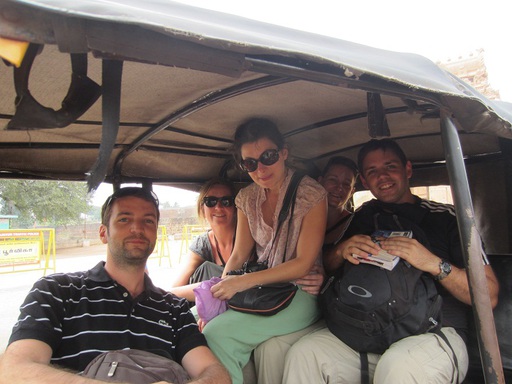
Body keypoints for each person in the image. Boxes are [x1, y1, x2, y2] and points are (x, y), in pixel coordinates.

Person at [282, 138, 499, 384]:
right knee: (305, 354)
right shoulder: (362, 217)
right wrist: (340, 251)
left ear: (407, 169)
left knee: (397, 366)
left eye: (390, 167)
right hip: (366, 332)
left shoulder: (448, 218)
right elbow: (325, 267)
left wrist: (432, 263)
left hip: (434, 333)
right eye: (372, 171)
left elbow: (488, 295)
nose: (382, 176)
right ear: (364, 181)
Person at [0, 187, 231, 384]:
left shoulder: (174, 308)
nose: (137, 228)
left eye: (148, 221)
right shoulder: (57, 291)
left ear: (155, 234)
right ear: (103, 233)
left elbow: (214, 373)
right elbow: (13, 370)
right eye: (124, 219)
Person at [200, 118, 328, 384]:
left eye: (268, 156)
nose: (260, 168)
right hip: (260, 292)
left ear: (284, 153)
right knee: (193, 320)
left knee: (217, 334)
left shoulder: (311, 194)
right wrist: (220, 293)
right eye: (250, 163)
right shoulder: (246, 198)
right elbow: (239, 254)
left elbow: (303, 263)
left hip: (301, 292)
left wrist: (242, 282)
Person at [252, 155, 358, 384]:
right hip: (289, 295)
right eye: (332, 180)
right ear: (319, 181)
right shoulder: (297, 217)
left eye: (346, 184)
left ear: (352, 190)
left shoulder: (354, 225)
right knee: (267, 348)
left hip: (329, 306)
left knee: (276, 348)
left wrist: (327, 277)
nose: (338, 188)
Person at [170, 178, 237, 302]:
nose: (218, 207)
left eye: (226, 201)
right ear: (202, 208)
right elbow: (175, 289)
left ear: (236, 207)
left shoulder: (248, 238)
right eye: (211, 201)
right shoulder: (202, 244)